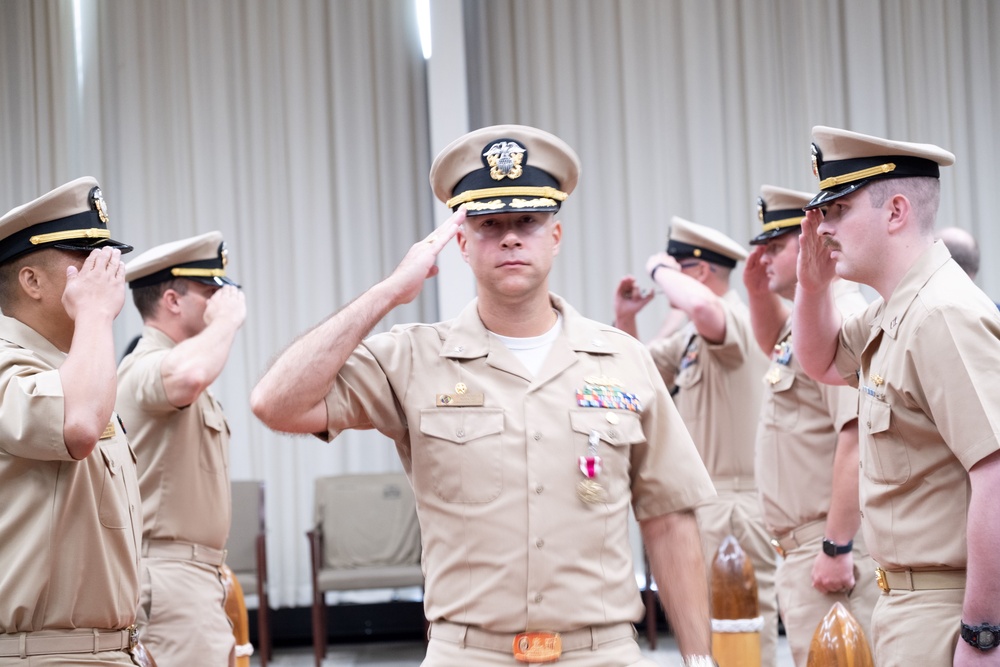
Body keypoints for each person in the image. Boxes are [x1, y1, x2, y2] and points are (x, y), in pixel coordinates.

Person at [251, 124, 718, 667]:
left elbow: (668, 519)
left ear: (556, 237)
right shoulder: (412, 359)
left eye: (527, 221)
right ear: (462, 244)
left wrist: (699, 660)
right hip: (469, 654)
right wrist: (389, 292)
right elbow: (275, 403)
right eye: (490, 224)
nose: (511, 237)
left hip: (602, 652)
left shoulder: (623, 359)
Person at [792, 125, 1000, 665]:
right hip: (907, 603)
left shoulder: (942, 314)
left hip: (946, 610)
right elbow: (820, 360)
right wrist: (812, 285)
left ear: (896, 211)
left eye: (837, 211)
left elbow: (996, 476)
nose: (822, 230)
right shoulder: (894, 309)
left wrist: (983, 635)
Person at [614, 217, 779, 667]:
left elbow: (705, 310)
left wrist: (657, 269)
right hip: (701, 501)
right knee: (706, 635)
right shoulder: (689, 336)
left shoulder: (734, 321)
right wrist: (627, 318)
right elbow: (638, 375)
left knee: (739, 631)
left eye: (679, 272)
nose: (669, 286)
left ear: (701, 273)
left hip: (733, 504)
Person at [0, 178, 142, 665]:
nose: (108, 270)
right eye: (86, 257)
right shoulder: (7, 362)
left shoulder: (75, 368)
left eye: (109, 254)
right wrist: (97, 315)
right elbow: (78, 426)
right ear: (32, 281)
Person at [743, 185, 877, 665]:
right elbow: (773, 343)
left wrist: (837, 546)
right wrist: (757, 292)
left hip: (831, 546)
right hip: (805, 549)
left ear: (810, 241)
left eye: (775, 247)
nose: (763, 259)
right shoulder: (806, 320)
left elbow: (856, 437)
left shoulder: (839, 316)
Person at [116, 231, 246, 667]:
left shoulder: (176, 367)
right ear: (172, 300)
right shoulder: (145, 367)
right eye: (210, 291)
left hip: (196, 577)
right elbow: (188, 375)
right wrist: (227, 322)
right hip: (169, 579)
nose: (223, 300)